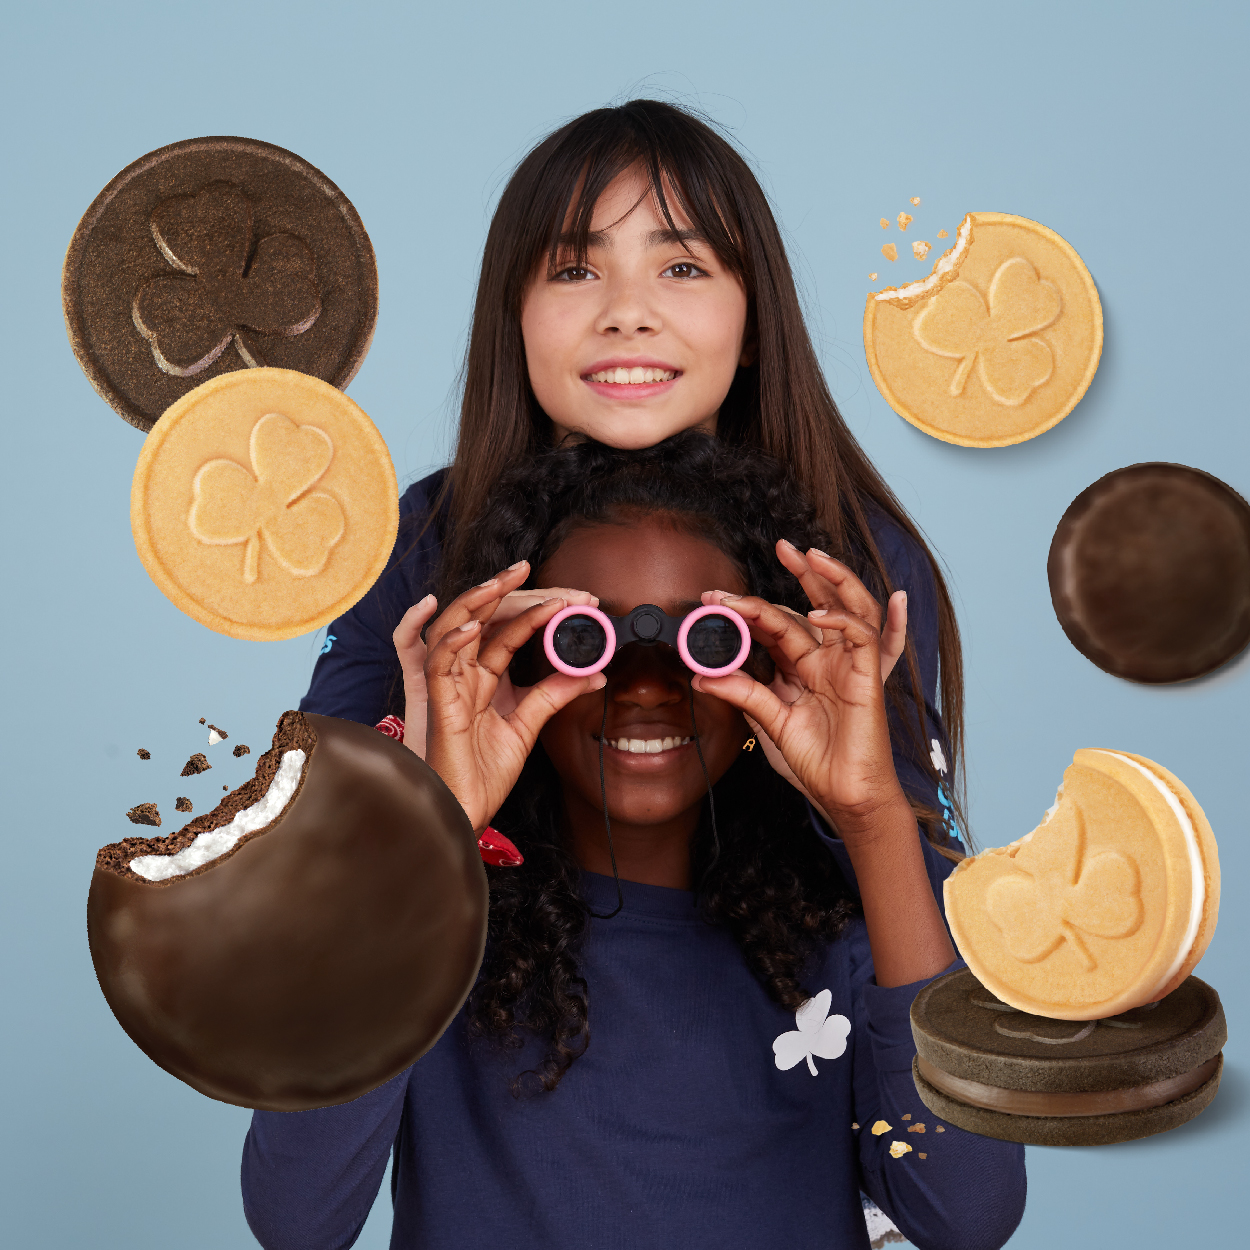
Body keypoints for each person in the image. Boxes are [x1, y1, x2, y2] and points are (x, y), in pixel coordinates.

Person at [241, 435, 1025, 1249]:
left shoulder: (850, 935)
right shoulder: (432, 942)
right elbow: (296, 1220)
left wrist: (874, 818)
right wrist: (431, 828)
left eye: (706, 644)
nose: (647, 687)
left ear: (769, 668)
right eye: (586, 642)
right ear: (512, 665)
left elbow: (968, 1215)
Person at [300, 98, 968, 858]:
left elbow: (933, 903)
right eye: (575, 269)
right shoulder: (416, 541)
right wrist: (425, 804)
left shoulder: (859, 562)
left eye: (681, 267)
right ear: (512, 317)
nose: (626, 313)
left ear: (753, 324)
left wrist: (862, 801)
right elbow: (304, 874)